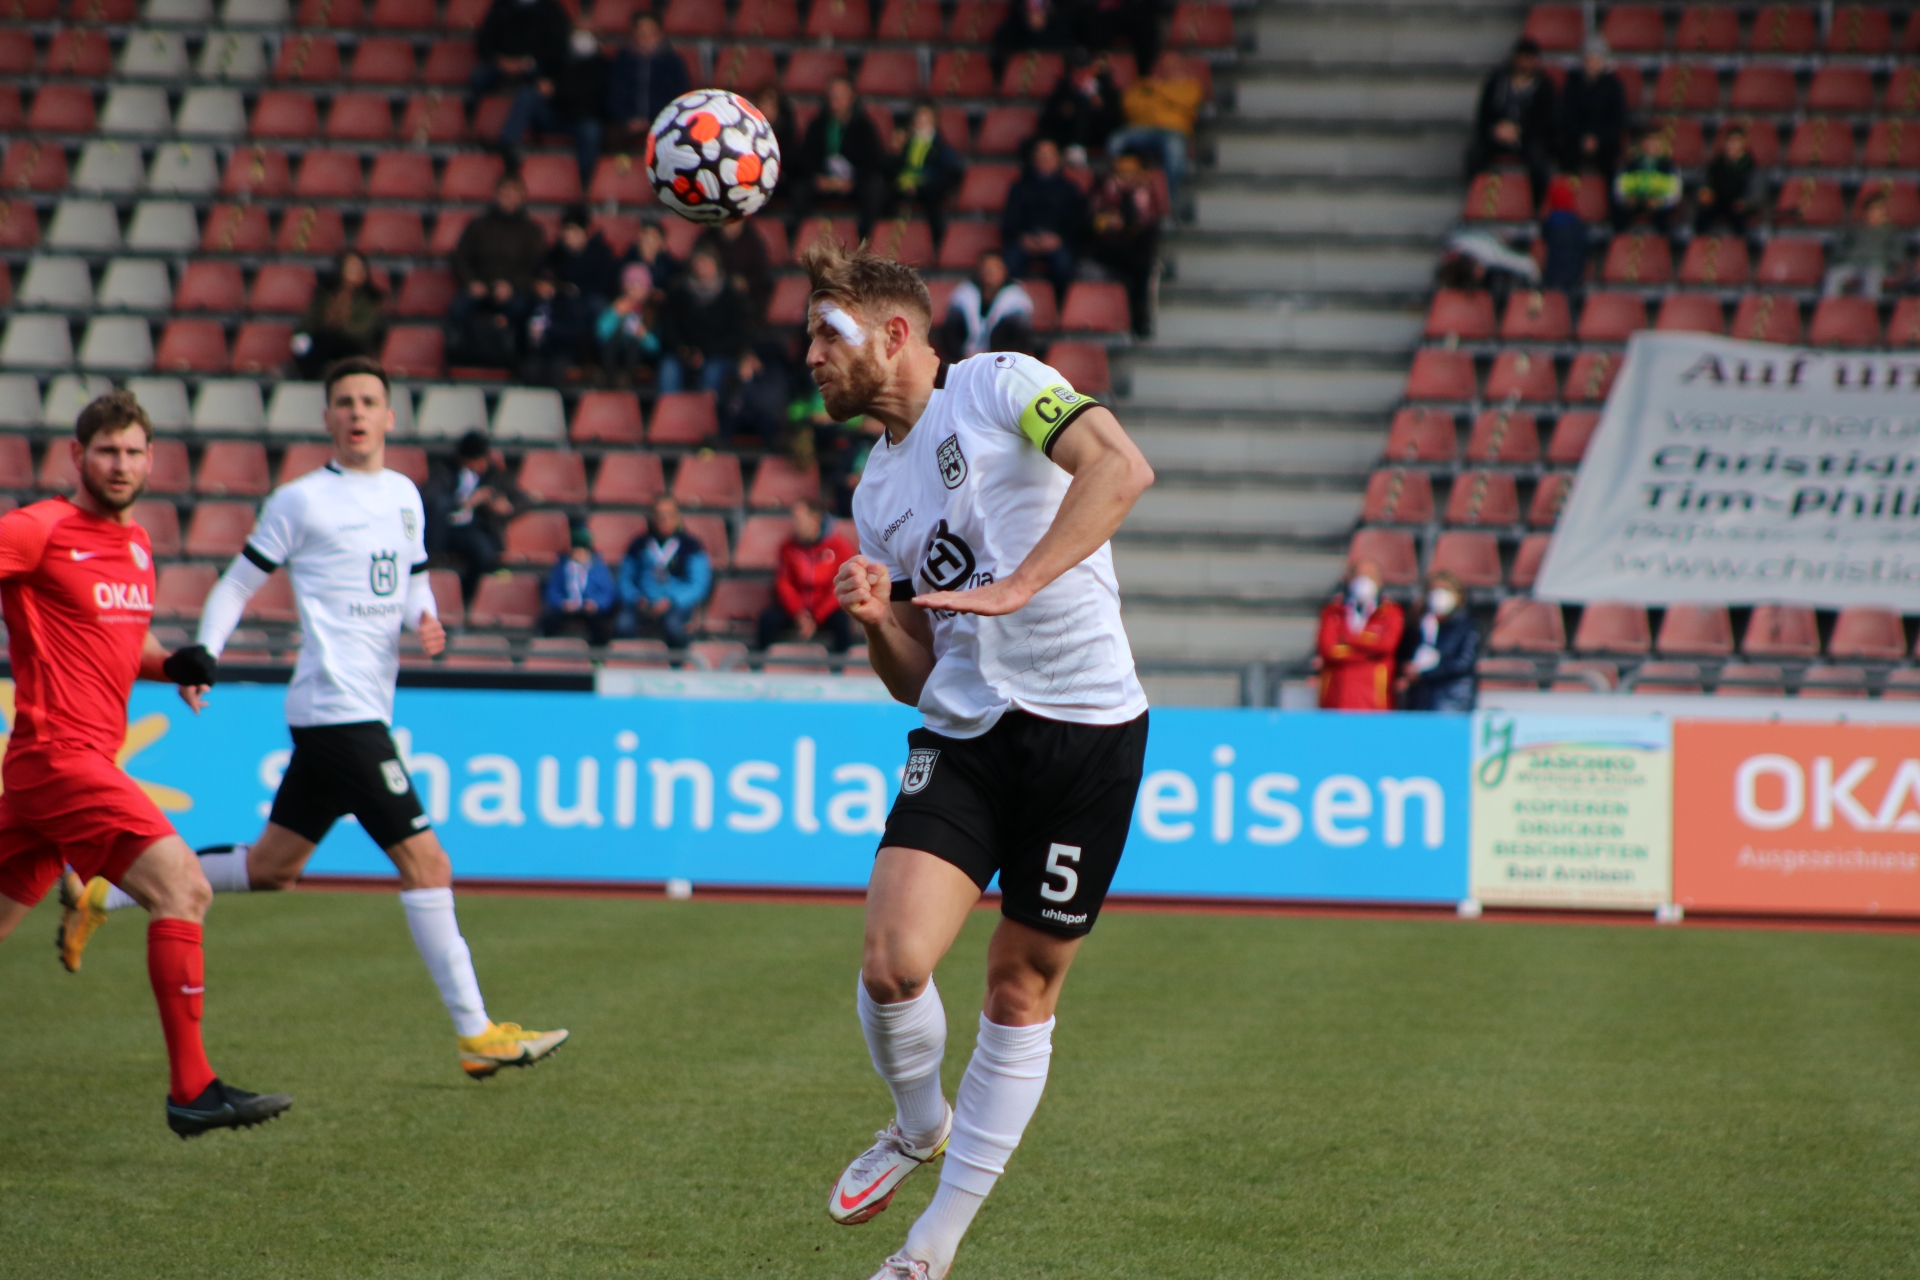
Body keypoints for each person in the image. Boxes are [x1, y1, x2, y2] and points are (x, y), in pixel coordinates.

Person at [68, 359, 570, 1081]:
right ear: (328, 418)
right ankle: (476, 1033)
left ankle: (103, 891)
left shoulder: (404, 495)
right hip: (339, 711)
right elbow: (236, 584)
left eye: (369, 401)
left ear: (389, 417)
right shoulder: (300, 501)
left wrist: (425, 617)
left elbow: (412, 578)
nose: (357, 412)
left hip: (352, 712)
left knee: (272, 868)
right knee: (428, 863)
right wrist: (204, 655)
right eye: (344, 402)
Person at [809, 238, 1155, 1280]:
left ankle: (931, 1248)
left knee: (1019, 988)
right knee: (892, 961)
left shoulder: (1001, 384)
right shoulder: (876, 491)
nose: (813, 359)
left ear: (895, 333)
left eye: (827, 336)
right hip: (964, 732)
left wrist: (1021, 583)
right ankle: (920, 1122)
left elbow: (1121, 468)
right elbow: (917, 674)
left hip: (1088, 730)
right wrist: (879, 620)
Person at [0, 392, 294, 1137]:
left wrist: (174, 664)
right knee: (184, 887)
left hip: (55, 773)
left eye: (133, 452)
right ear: (78, 455)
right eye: (107, 451)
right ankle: (193, 1090)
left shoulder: (135, 546)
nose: (121, 464)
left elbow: (121, 644)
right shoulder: (37, 529)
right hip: (60, 759)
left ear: (152, 460)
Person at [448, 175, 547, 367]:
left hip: (515, 290)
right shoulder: (477, 226)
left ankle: (517, 362)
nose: (509, 197)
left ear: (522, 197)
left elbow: (536, 267)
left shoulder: (532, 231)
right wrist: (471, 282)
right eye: (504, 192)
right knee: (458, 308)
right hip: (480, 287)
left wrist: (512, 286)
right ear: (496, 194)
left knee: (523, 309)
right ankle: (461, 360)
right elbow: (460, 259)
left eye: (514, 192)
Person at [500, 25, 608, 187]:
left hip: (581, 121)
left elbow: (589, 95)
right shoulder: (559, 56)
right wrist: (541, 82)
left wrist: (557, 89)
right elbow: (537, 75)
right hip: (554, 115)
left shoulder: (603, 66)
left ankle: (583, 181)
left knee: (592, 131)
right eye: (579, 32)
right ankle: (507, 148)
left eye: (588, 34)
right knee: (527, 95)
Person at [424, 428, 525, 601]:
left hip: (472, 529)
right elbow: (429, 497)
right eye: (478, 460)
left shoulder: (494, 475)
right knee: (440, 506)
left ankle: (466, 596)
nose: (482, 465)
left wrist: (505, 507)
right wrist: (466, 501)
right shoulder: (444, 471)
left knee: (485, 554)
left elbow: (522, 499)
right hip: (443, 529)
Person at [791, 75, 888, 239]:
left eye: (841, 95)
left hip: (853, 183)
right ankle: (800, 238)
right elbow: (806, 158)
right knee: (799, 189)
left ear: (852, 97)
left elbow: (873, 162)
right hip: (823, 182)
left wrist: (853, 181)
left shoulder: (865, 127)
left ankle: (867, 240)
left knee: (875, 191)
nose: (836, 100)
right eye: (833, 95)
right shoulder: (817, 125)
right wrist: (818, 178)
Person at [1086, 148, 1166, 338]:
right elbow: (1091, 220)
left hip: (1136, 250)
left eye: (1130, 171)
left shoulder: (1147, 192)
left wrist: (1126, 222)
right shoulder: (1103, 188)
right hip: (1106, 248)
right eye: (1121, 171)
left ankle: (1139, 321)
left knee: (1141, 266)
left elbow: (1149, 221)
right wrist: (1107, 222)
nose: (1125, 175)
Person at [1466, 37, 1556, 206]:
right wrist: (1496, 128)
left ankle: (1536, 205)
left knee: (1539, 162)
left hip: (1528, 137)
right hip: (1498, 133)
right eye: (1522, 58)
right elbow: (1483, 114)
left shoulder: (1545, 86)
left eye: (1529, 59)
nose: (1525, 63)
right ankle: (1476, 199)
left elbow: (1546, 121)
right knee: (1474, 156)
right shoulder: (1497, 82)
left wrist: (1520, 130)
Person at [757, 498, 856, 651]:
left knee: (843, 623)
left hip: (826, 608)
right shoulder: (787, 547)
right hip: (796, 608)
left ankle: (841, 664)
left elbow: (840, 587)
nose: (795, 524)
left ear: (815, 519)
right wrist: (798, 613)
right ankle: (761, 663)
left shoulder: (839, 547)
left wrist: (817, 615)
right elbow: (784, 583)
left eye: (798, 519)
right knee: (767, 620)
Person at [1110, 49, 1204, 209]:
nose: (1167, 68)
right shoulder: (1141, 84)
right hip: (1141, 129)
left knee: (1175, 151)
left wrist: (1155, 90)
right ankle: (1115, 193)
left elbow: (1188, 101)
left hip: (1172, 131)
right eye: (1163, 64)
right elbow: (1129, 105)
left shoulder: (1190, 85)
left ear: (1179, 66)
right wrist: (1169, 102)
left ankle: (1167, 202)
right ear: (1157, 66)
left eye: (1172, 65)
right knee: (1115, 141)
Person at [1002, 138, 1086, 305]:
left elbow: (1076, 223)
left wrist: (1059, 239)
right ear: (1034, 158)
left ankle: (1060, 307)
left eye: (1049, 155)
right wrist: (1023, 238)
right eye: (1041, 155)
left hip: (1057, 242)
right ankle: (1011, 305)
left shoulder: (1069, 189)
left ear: (1058, 159)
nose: (1045, 159)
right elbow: (1010, 221)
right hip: (1025, 241)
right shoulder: (1019, 187)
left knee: (1064, 266)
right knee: (1009, 264)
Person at [618, 496, 711, 647]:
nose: (664, 520)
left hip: (675, 605)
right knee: (623, 625)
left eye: (669, 514)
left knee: (673, 626)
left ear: (677, 516)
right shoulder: (638, 544)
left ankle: (680, 661)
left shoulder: (691, 546)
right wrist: (637, 599)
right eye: (659, 515)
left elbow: (698, 584)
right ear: (652, 516)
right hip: (642, 605)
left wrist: (672, 601)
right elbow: (625, 579)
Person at [659, 244, 749, 395]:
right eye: (699, 263)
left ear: (716, 265)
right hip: (684, 354)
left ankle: (706, 408)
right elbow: (670, 328)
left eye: (707, 262)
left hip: (718, 355)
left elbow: (737, 335)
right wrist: (684, 350)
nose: (703, 267)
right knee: (668, 368)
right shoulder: (679, 293)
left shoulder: (731, 295)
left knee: (713, 370)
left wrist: (707, 352)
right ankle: (668, 408)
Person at [1315, 558, 1403, 711]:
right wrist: (1369, 653)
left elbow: (1386, 646)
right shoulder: (1333, 612)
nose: (1364, 581)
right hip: (1337, 698)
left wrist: (1348, 641)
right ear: (1349, 580)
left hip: (1374, 701)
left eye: (1370, 576)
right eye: (1359, 576)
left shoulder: (1390, 613)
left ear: (1379, 582)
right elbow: (1328, 650)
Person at [292, 251, 387, 379]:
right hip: (322, 339)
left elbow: (365, 329)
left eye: (358, 268)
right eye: (350, 268)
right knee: (303, 344)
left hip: (354, 343)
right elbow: (308, 323)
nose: (354, 272)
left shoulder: (371, 299)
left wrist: (339, 326)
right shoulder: (324, 295)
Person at [884, 101, 965, 248]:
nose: (920, 122)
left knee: (934, 202)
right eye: (918, 118)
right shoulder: (907, 143)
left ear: (934, 121)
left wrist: (921, 184)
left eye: (925, 118)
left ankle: (937, 244)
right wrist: (894, 153)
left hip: (929, 189)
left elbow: (949, 170)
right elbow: (896, 168)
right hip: (904, 186)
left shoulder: (940, 146)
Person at [605, 14, 689, 154]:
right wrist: (628, 120)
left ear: (660, 35)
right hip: (626, 123)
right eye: (641, 34)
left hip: (662, 121)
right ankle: (619, 168)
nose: (645, 38)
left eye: (650, 34)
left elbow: (679, 99)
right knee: (611, 134)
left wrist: (653, 120)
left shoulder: (673, 62)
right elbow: (613, 96)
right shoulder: (622, 61)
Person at [1398, 570, 1477, 711]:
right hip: (1420, 700)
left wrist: (1425, 674)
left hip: (1451, 700)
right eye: (1434, 589)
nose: (1438, 595)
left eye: (1445, 589)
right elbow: (1405, 655)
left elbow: (1463, 663)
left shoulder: (1466, 627)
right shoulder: (1420, 625)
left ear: (1457, 596)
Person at [941, 249, 1036, 361]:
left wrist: (992, 361)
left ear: (1004, 270)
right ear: (979, 271)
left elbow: (1018, 341)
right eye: (986, 269)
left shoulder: (1017, 300)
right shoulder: (963, 294)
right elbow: (950, 334)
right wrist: (964, 358)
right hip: (964, 360)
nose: (990, 273)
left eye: (995, 268)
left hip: (1002, 363)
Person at [469, 0, 570, 105]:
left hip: (535, 64)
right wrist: (501, 61)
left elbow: (557, 47)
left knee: (533, 89)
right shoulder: (501, 6)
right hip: (502, 62)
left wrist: (529, 63)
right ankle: (475, 110)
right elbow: (485, 40)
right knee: (479, 76)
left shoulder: (551, 9)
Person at [1556, 37, 1627, 179]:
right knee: (1566, 160)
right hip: (1576, 138)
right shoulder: (1572, 85)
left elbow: (1618, 119)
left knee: (1612, 165)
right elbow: (1566, 116)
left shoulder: (1614, 86)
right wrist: (1582, 138)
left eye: (1596, 59)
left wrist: (1597, 138)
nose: (1591, 64)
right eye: (1588, 59)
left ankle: (1612, 193)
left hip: (1605, 140)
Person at [1037, 51, 1123, 158]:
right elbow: (1047, 120)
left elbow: (1117, 118)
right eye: (1075, 69)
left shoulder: (1106, 87)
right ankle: (1075, 149)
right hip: (1069, 138)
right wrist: (1062, 112)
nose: (1080, 72)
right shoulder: (1062, 89)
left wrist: (1101, 106)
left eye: (1084, 68)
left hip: (1100, 135)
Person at [1825, 190, 1909, 299]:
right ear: (1866, 211)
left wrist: (1887, 261)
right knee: (1834, 274)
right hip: (1854, 264)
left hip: (1876, 265)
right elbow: (1842, 248)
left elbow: (1897, 254)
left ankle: (1870, 306)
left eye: (1878, 210)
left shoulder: (1891, 231)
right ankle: (1830, 305)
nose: (1874, 213)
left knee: (1872, 276)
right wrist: (1847, 258)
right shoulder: (1855, 228)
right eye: (1872, 209)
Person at [542, 524, 616, 646]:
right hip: (567, 608)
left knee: (599, 625)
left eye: (582, 550)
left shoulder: (598, 568)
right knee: (548, 621)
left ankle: (597, 651)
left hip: (589, 609)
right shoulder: (563, 567)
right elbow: (553, 589)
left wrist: (596, 604)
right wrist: (561, 603)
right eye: (575, 550)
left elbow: (607, 591)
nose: (578, 553)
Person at [696, 217, 774, 323]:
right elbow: (698, 264)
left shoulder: (753, 242)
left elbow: (762, 273)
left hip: (745, 296)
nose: (729, 225)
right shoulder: (708, 238)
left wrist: (746, 282)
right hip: (712, 292)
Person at [597, 262, 660, 385]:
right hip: (615, 351)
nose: (635, 291)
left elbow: (655, 347)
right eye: (631, 286)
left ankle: (626, 381)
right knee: (611, 345)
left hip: (639, 356)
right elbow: (601, 333)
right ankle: (607, 381)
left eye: (640, 286)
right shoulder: (617, 306)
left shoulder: (651, 311)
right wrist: (615, 313)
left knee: (634, 346)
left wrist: (644, 335)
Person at [1612, 128, 1681, 234]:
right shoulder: (1630, 165)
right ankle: (1619, 238)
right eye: (1649, 141)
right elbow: (1619, 187)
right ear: (1642, 144)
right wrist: (1626, 199)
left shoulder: (1668, 166)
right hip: (1635, 202)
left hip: (1658, 204)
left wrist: (1660, 201)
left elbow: (1675, 193)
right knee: (1619, 213)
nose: (1652, 145)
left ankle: (1663, 240)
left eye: (1655, 142)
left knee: (1665, 218)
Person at [1695, 125, 1758, 237]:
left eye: (1736, 141)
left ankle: (1742, 244)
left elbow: (1756, 191)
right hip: (1718, 201)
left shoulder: (1750, 165)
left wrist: (1746, 202)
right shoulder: (1717, 163)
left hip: (1739, 203)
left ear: (1743, 143)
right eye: (1730, 141)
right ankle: (1699, 242)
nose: (1732, 145)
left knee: (1740, 216)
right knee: (1703, 213)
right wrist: (1706, 192)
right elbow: (1707, 183)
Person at [990, 0, 1075, 79]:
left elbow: (1067, 10)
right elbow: (1016, 10)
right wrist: (1027, 18)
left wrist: (1046, 18)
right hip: (1023, 31)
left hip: (1053, 31)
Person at [751, 83, 799, 209]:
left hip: (781, 181)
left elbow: (791, 163)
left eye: (770, 105)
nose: (766, 110)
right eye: (763, 104)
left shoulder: (787, 132)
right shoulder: (748, 132)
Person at [1539, 174, 1587, 294]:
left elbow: (1543, 237)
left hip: (1554, 272)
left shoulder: (1549, 222)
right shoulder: (1577, 223)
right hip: (1574, 274)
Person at [624, 218, 679, 291]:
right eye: (644, 237)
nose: (647, 242)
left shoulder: (667, 263)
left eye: (652, 238)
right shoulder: (628, 260)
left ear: (661, 243)